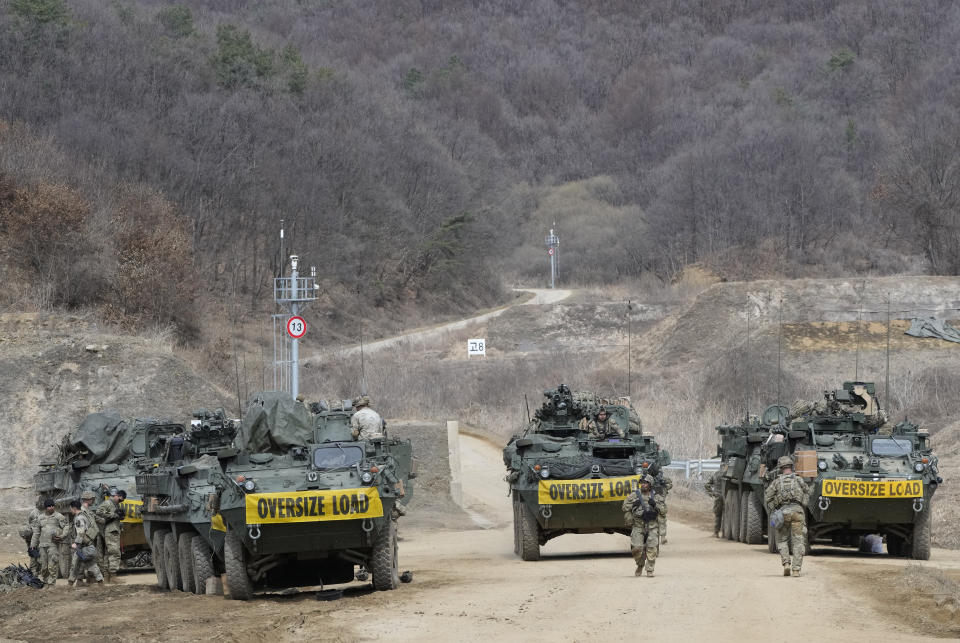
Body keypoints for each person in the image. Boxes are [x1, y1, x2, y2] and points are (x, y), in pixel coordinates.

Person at [764, 456, 810, 577]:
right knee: (798, 542)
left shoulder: (776, 482)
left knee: (782, 541)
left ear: (780, 469)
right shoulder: (799, 480)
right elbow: (807, 491)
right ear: (791, 467)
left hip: (783, 514)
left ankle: (786, 564)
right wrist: (803, 504)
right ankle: (796, 570)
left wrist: (774, 509)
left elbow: (767, 497)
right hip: (798, 513)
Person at [622, 476, 665, 577]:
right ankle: (640, 564)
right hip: (638, 526)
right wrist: (633, 505)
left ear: (650, 485)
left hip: (652, 526)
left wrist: (655, 505)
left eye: (646, 483)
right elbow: (624, 507)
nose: (644, 485)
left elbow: (664, 510)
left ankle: (650, 570)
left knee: (652, 549)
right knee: (636, 549)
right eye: (642, 483)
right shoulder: (634, 495)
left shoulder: (656, 496)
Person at [31, 499, 68, 587]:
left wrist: (62, 535)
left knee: (52, 565)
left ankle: (51, 584)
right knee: (43, 567)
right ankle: (46, 582)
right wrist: (32, 545)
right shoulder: (40, 518)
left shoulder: (58, 516)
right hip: (42, 545)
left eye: (52, 506)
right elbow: (36, 533)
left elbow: (66, 526)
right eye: (49, 506)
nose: (51, 508)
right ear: (45, 507)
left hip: (53, 545)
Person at [68, 496, 103, 587]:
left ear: (74, 508)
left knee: (75, 565)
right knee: (91, 564)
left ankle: (70, 584)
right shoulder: (85, 516)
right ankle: (100, 582)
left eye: (70, 508)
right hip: (87, 545)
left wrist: (75, 544)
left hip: (82, 547)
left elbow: (81, 533)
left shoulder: (79, 518)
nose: (70, 510)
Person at [94, 488, 125, 583]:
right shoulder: (108, 503)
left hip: (113, 530)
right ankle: (113, 576)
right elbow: (98, 512)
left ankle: (107, 576)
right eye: (120, 499)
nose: (120, 501)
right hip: (110, 531)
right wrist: (113, 515)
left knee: (108, 553)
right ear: (116, 495)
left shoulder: (114, 504)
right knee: (115, 552)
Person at [18, 502, 42, 576]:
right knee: (33, 553)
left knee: (36, 554)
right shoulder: (35, 513)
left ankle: (35, 569)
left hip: (36, 535)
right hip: (33, 534)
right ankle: (34, 570)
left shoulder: (35, 513)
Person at [653, 473, 673, 545]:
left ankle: (663, 538)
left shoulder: (664, 485)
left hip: (661, 505)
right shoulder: (649, 481)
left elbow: (670, 484)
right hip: (651, 504)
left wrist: (663, 482)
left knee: (662, 521)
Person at [704, 470, 723, 538]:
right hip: (728, 496)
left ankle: (716, 532)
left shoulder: (716, 474)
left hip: (718, 496)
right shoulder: (728, 473)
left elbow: (707, 485)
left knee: (718, 515)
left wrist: (711, 493)